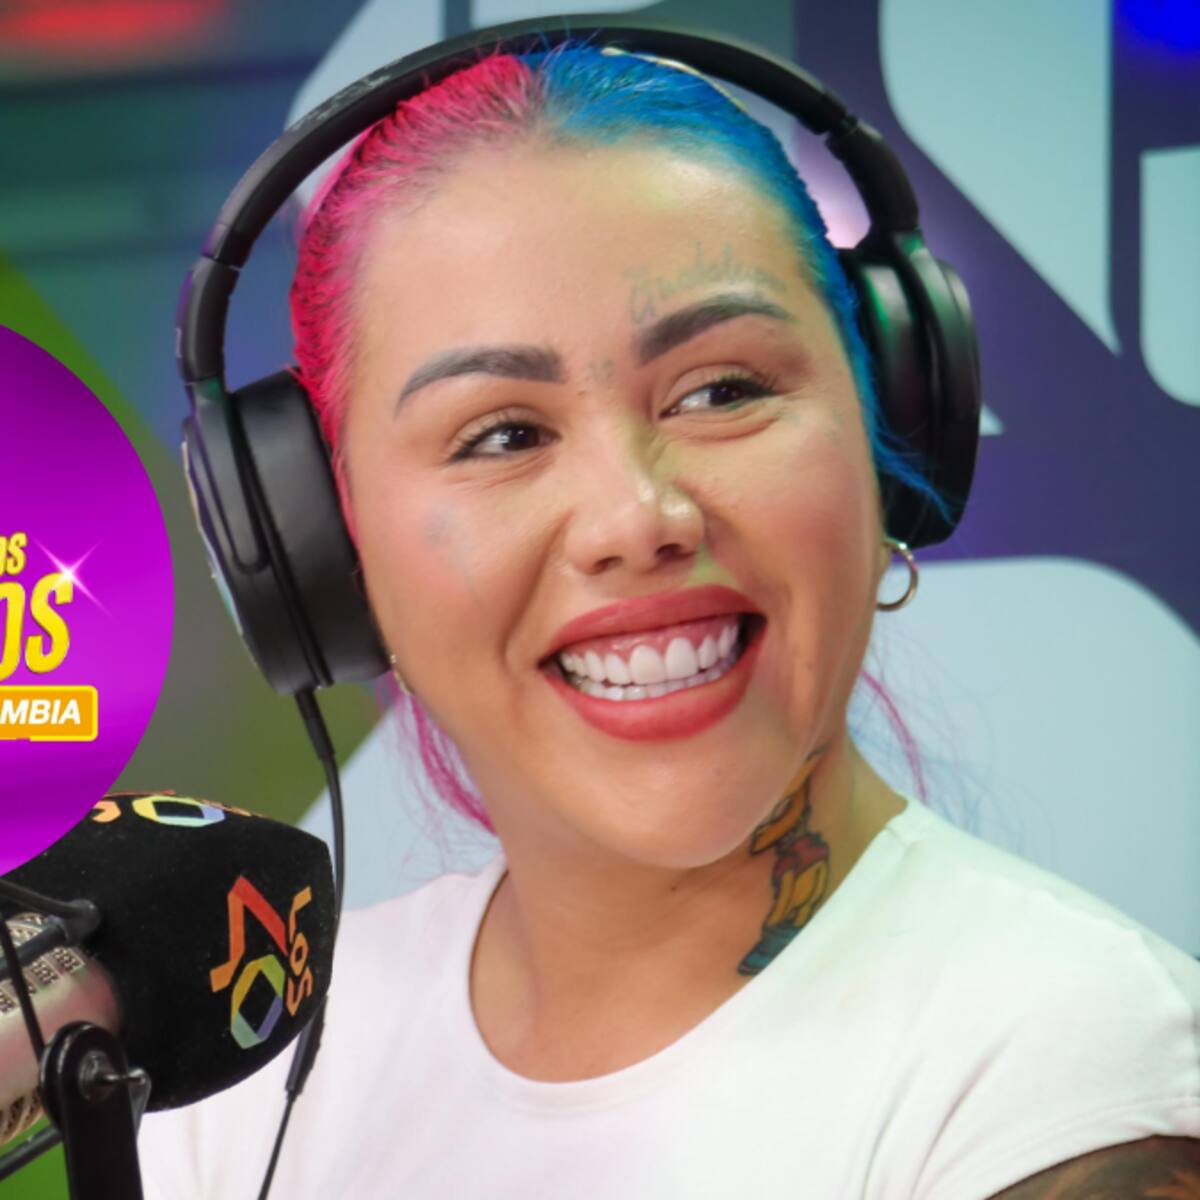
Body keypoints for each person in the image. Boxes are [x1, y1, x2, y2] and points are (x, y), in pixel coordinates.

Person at [139, 43, 1200, 1198]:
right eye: (502, 435)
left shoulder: (1068, 1072)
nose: (637, 518)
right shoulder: (247, 1071)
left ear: (888, 430)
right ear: (323, 552)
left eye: (722, 391)